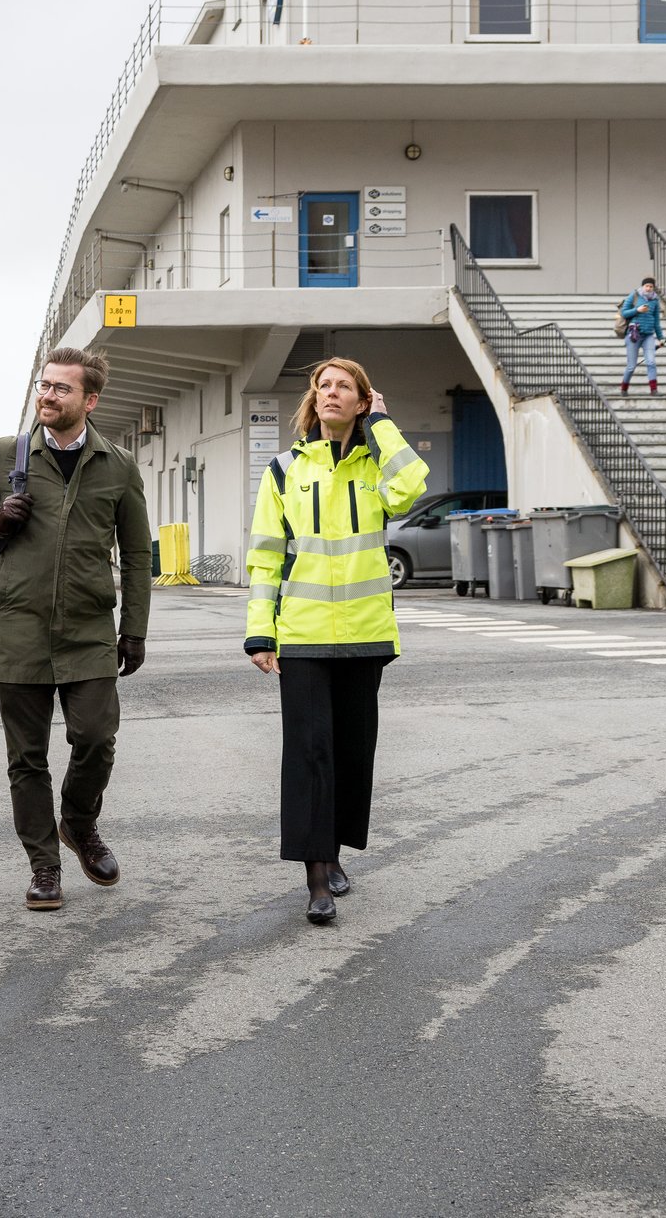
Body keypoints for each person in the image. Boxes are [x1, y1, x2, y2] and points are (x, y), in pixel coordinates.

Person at [0, 346, 151, 912]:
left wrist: (133, 627)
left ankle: (80, 824)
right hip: (19, 628)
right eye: (44, 385)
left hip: (89, 629)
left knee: (94, 738)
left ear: (89, 400)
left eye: (62, 388)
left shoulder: (118, 465)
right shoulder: (4, 454)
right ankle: (44, 866)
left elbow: (137, 554)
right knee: (26, 758)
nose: (47, 395)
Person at [243, 357, 427, 925]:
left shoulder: (378, 466)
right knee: (309, 754)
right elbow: (266, 556)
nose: (331, 393)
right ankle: (316, 873)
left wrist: (383, 426)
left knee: (350, 751)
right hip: (301, 636)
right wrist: (259, 631)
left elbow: (413, 485)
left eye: (344, 386)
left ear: (363, 400)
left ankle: (337, 851)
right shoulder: (283, 471)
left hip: (366, 634)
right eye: (323, 385)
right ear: (313, 399)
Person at [619, 276, 663, 396]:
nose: (648, 288)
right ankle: (624, 388)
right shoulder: (635, 295)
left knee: (651, 362)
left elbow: (656, 321)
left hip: (648, 336)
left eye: (651, 286)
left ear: (654, 288)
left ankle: (654, 390)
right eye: (646, 286)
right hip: (634, 334)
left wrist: (660, 337)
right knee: (631, 366)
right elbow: (624, 312)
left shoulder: (655, 301)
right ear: (643, 286)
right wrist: (637, 310)